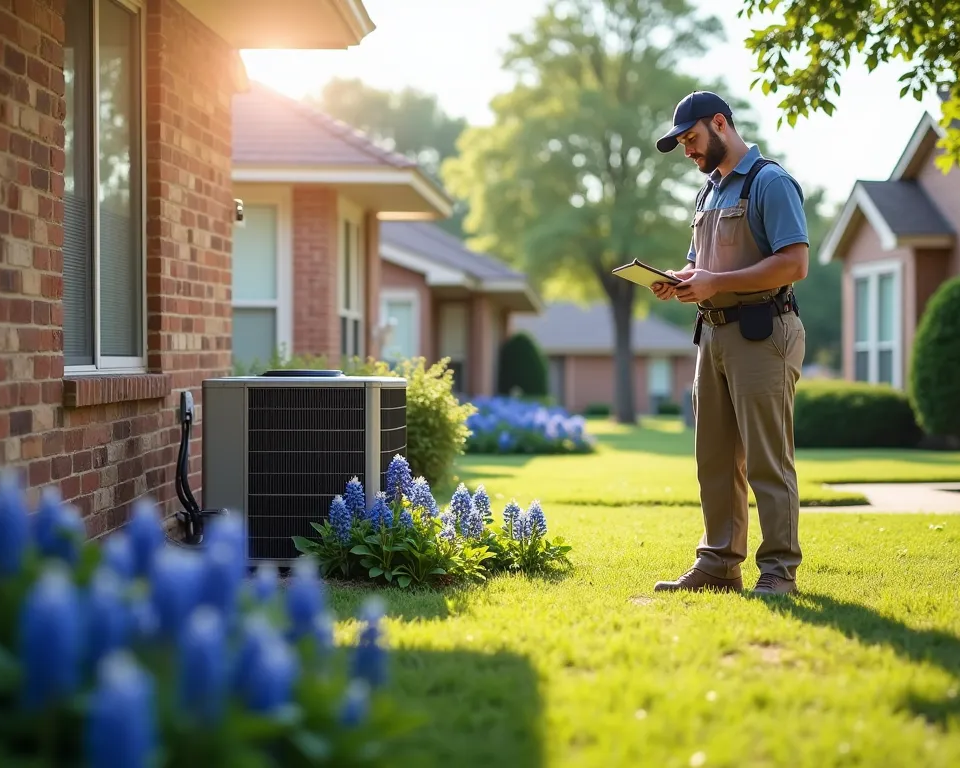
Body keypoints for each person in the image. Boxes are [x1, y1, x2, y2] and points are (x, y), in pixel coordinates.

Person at [650, 91, 808, 596]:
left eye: (692, 140)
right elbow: (701, 264)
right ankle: (719, 564)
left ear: (720, 124)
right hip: (712, 335)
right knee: (714, 458)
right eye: (682, 145)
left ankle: (779, 571)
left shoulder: (771, 182)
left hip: (764, 333)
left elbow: (794, 263)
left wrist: (716, 282)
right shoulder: (706, 192)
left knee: (767, 459)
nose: (689, 152)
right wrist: (680, 279)